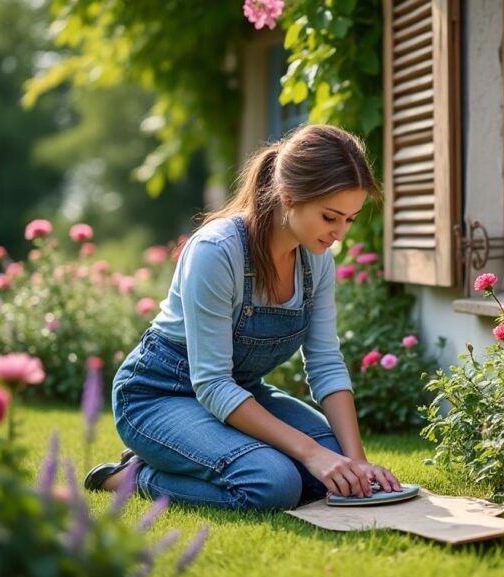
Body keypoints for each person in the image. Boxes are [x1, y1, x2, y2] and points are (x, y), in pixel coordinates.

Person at [84, 124, 402, 510]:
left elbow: (325, 362)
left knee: (332, 470)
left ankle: (208, 456)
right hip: (158, 396)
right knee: (273, 483)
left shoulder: (317, 260)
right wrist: (310, 454)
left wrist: (356, 464)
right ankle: (134, 476)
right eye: (330, 217)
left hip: (241, 393)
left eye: (350, 220)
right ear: (290, 197)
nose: (339, 234)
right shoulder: (217, 251)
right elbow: (212, 383)